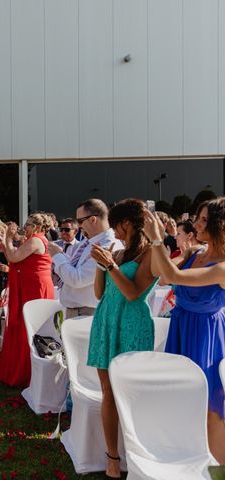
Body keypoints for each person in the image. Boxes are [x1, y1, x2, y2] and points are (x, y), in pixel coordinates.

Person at [144, 200, 225, 463]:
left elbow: (175, 277)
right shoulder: (196, 252)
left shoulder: (223, 267)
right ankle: (186, 458)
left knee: (211, 405)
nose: (197, 224)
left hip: (207, 335)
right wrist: (155, 243)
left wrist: (157, 239)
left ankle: (216, 466)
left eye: (203, 219)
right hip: (181, 326)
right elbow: (163, 275)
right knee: (182, 398)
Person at [87, 198, 157, 479]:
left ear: (126, 223)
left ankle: (139, 455)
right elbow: (98, 293)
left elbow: (133, 293)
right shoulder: (118, 252)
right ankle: (112, 458)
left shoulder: (150, 254)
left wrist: (111, 266)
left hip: (131, 324)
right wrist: (100, 265)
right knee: (108, 393)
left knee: (131, 393)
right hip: (106, 321)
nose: (113, 232)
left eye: (115, 225)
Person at [0, 213, 54, 387]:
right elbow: (12, 254)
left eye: (27, 224)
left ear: (36, 227)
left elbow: (13, 257)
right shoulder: (32, 240)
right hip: (28, 286)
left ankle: (27, 371)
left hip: (34, 288)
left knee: (30, 326)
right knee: (22, 324)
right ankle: (19, 366)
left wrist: (9, 238)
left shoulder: (36, 241)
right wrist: (5, 240)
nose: (24, 227)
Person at [47, 199, 121, 318]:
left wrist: (58, 256)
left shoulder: (107, 246)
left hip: (88, 313)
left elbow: (78, 279)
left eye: (80, 221)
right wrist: (60, 254)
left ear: (93, 219)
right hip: (79, 311)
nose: (79, 226)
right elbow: (74, 267)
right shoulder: (89, 241)